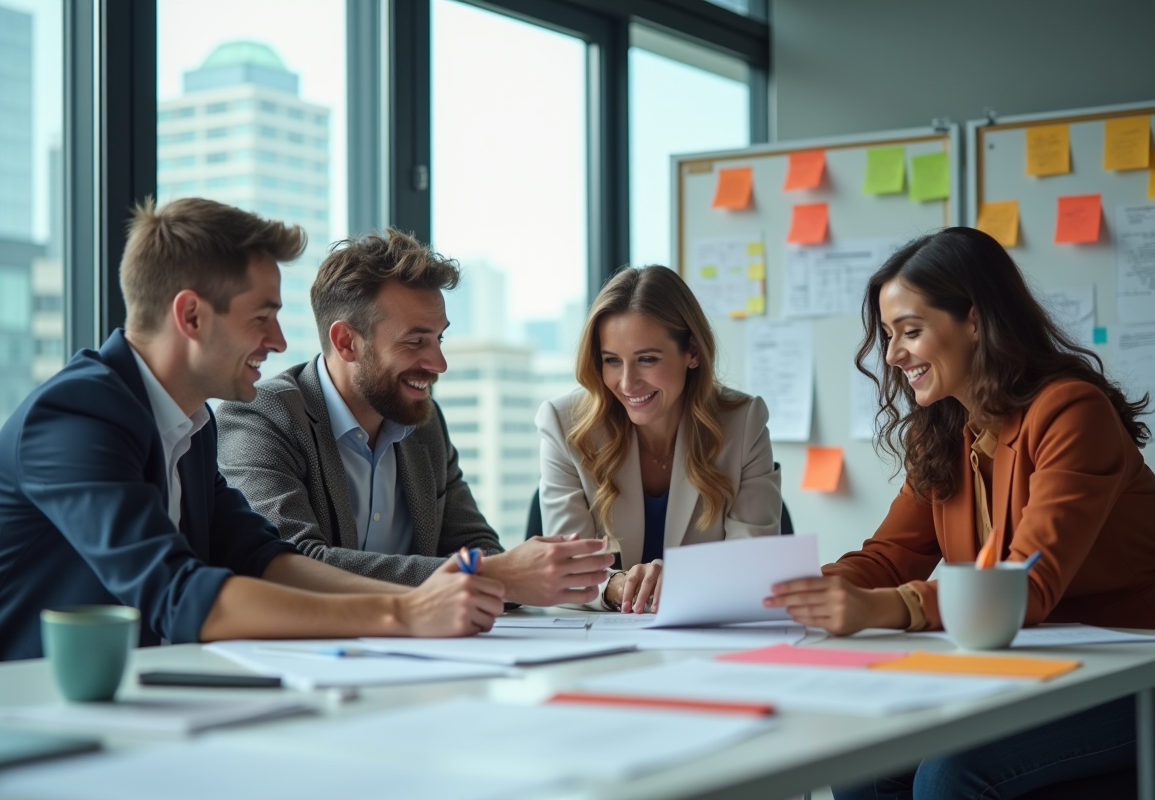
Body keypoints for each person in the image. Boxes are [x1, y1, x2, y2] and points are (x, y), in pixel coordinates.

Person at [765, 227, 1155, 798]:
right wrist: (783, 596)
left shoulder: (1072, 412)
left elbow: (1025, 587)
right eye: (889, 336)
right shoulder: (948, 434)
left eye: (910, 332)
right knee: (862, 766)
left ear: (974, 321)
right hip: (1040, 668)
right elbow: (889, 557)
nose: (892, 355)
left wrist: (884, 608)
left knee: (951, 775)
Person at [0, 199, 505, 661]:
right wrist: (405, 614)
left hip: (143, 694)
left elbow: (265, 560)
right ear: (191, 316)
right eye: (262, 317)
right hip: (36, 706)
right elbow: (178, 594)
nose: (279, 341)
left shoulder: (191, 426)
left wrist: (430, 598)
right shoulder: (75, 416)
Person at [215, 229, 613, 606]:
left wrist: (511, 571)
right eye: (416, 341)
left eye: (439, 338)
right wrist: (489, 575)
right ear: (346, 342)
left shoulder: (424, 422)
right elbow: (291, 565)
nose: (438, 363)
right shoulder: (261, 417)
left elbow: (475, 544)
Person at [537, 265, 782, 614]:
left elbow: (754, 561)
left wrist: (680, 581)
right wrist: (619, 587)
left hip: (706, 630)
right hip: (604, 635)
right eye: (612, 361)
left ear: (692, 352)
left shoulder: (743, 422)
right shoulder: (564, 424)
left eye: (647, 359)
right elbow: (567, 571)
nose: (627, 383)